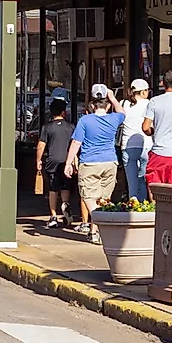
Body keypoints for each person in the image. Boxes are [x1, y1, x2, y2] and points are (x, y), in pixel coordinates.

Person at [69, 86, 125, 236]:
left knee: (88, 197)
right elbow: (122, 112)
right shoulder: (114, 118)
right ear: (107, 105)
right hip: (110, 162)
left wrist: (68, 163)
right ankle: (95, 231)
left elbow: (76, 143)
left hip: (89, 163)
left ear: (93, 105)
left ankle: (99, 223)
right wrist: (113, 98)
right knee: (104, 198)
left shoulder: (85, 120)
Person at [34, 98, 77, 229]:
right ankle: (65, 206)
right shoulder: (71, 127)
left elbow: (41, 145)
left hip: (52, 161)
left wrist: (38, 160)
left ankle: (53, 216)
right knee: (65, 187)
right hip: (66, 161)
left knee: (53, 189)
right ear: (64, 112)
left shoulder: (47, 127)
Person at [119, 77, 153, 201]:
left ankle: (133, 208)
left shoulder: (123, 103)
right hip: (146, 145)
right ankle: (144, 207)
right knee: (143, 180)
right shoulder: (150, 103)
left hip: (128, 146)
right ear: (143, 91)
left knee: (132, 183)